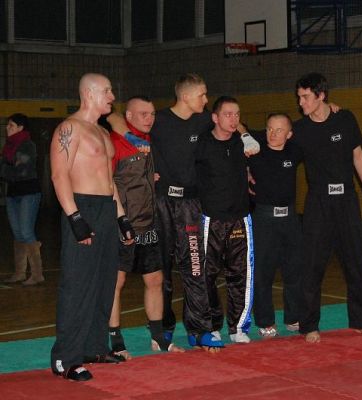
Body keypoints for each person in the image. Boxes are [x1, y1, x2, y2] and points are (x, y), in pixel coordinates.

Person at [150, 73, 259, 350]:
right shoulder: (158, 120)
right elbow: (120, 120)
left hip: (191, 204)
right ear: (186, 96)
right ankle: (164, 329)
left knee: (195, 267)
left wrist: (246, 135)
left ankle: (198, 329)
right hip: (162, 201)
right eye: (202, 94)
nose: (206, 99)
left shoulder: (203, 119)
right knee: (162, 271)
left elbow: (230, 119)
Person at [50, 73, 134, 381]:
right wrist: (75, 218)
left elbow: (109, 181)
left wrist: (121, 217)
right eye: (107, 91)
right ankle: (66, 358)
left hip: (106, 208)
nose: (112, 97)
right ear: (89, 94)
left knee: (104, 282)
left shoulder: (101, 131)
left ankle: (94, 348)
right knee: (78, 286)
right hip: (81, 207)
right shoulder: (69, 128)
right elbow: (59, 175)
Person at [293, 72, 362, 343]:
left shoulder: (345, 118)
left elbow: (358, 156)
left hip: (347, 200)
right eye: (299, 97)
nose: (301, 102)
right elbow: (277, 147)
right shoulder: (300, 129)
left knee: (356, 261)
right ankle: (309, 325)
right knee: (312, 264)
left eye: (305, 97)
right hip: (318, 202)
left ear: (321, 95)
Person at [106, 97, 183, 358]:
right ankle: (116, 342)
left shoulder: (150, 139)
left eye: (152, 113)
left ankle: (158, 338)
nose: (149, 119)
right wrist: (119, 220)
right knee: (116, 282)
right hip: (122, 224)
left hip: (148, 222)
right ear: (128, 116)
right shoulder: (116, 142)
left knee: (155, 280)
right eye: (143, 114)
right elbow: (107, 183)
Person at [195, 96, 254, 344]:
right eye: (228, 114)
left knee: (241, 274)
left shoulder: (244, 142)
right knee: (206, 274)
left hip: (240, 218)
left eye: (237, 114)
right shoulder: (201, 144)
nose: (234, 119)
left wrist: (246, 135)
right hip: (211, 219)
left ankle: (238, 327)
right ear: (215, 118)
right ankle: (212, 325)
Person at [247, 113, 303, 338]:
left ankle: (293, 317)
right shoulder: (255, 150)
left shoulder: (295, 151)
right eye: (269, 128)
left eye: (279, 130)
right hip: (264, 218)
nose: (273, 133)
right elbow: (235, 128)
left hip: (290, 218)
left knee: (294, 269)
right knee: (263, 271)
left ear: (289, 134)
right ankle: (265, 320)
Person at [1, 113, 44, 286]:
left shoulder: (28, 145)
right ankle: (19, 273)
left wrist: (6, 167)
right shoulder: (9, 146)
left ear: (20, 128)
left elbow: (21, 172)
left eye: (11, 125)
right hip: (13, 193)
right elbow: (11, 170)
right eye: (7, 125)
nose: (7, 128)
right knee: (18, 233)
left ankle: (37, 274)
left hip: (28, 192)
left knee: (26, 232)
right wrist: (10, 167)